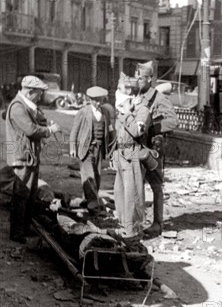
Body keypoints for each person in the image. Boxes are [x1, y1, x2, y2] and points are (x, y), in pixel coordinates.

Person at [5, 75, 61, 243]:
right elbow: (30, 130)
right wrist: (49, 130)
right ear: (30, 92)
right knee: (21, 195)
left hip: (29, 155)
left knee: (29, 195)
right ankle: (17, 232)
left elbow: (37, 122)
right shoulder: (17, 107)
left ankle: (25, 226)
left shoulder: (26, 105)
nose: (40, 97)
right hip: (22, 156)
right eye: (39, 94)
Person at [135, 61, 178, 238]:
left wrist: (152, 127)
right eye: (136, 77)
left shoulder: (159, 98)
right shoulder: (138, 95)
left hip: (152, 148)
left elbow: (173, 121)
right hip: (138, 146)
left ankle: (157, 223)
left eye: (141, 78)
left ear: (150, 79)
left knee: (156, 186)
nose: (137, 80)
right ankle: (138, 222)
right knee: (137, 184)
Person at [112, 73, 151, 240]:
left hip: (134, 155)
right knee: (119, 193)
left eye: (122, 90)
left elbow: (137, 131)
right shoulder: (123, 107)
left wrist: (127, 114)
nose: (119, 95)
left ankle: (133, 230)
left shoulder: (143, 110)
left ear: (132, 94)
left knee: (132, 195)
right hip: (121, 155)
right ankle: (123, 226)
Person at [69, 86, 114, 216]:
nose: (98, 103)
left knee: (97, 176)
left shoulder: (105, 112)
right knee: (89, 177)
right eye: (95, 100)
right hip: (86, 149)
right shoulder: (83, 112)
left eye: (100, 100)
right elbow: (74, 131)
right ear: (90, 99)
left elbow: (110, 129)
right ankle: (94, 207)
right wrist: (73, 147)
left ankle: (87, 200)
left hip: (99, 149)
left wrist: (112, 146)